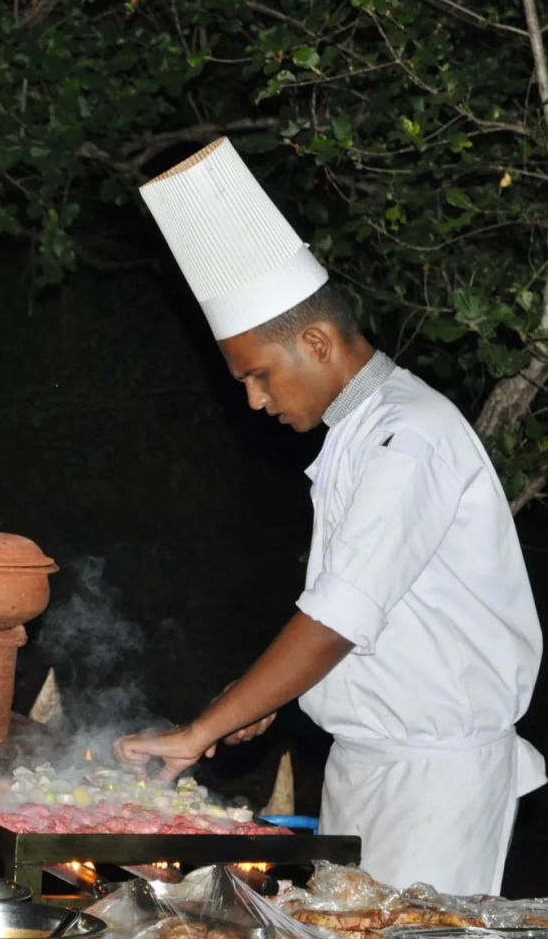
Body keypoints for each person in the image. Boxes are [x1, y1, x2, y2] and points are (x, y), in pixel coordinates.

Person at [114, 138, 544, 895]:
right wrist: (259, 699)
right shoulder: (357, 433)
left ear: (314, 340)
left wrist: (201, 731)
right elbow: (359, 619)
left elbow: (336, 617)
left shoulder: (408, 435)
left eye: (257, 374)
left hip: (433, 786)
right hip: (366, 766)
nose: (252, 399)